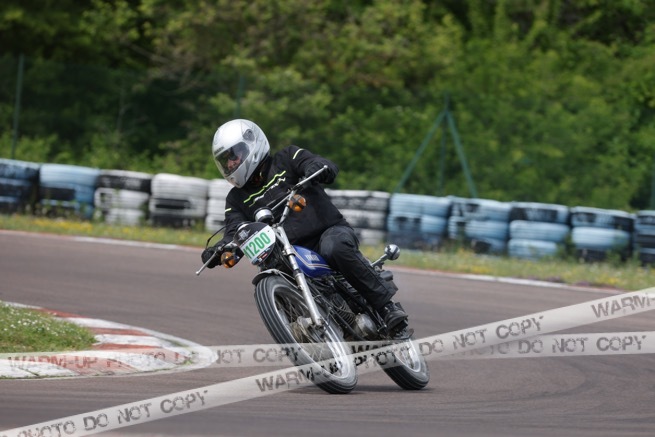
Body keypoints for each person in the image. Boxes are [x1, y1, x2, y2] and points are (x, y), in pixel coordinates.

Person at [201, 119, 408, 331]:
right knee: (273, 272)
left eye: (234, 155)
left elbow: (317, 163)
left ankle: (386, 308)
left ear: (252, 145)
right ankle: (301, 333)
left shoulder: (286, 158)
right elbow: (234, 230)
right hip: (287, 253)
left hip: (326, 232)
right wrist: (221, 249)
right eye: (225, 160)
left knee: (334, 247)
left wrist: (316, 168)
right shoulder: (235, 198)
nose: (230, 164)